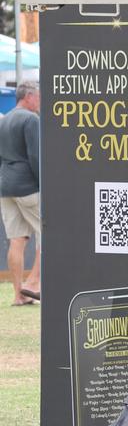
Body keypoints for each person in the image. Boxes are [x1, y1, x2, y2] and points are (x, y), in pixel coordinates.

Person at [1, 81, 42, 305]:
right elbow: (35, 156)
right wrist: (43, 183)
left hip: (5, 186)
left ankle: (18, 295)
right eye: (39, 96)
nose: (41, 101)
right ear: (28, 97)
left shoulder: (4, 119)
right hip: (27, 186)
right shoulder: (30, 119)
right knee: (48, 232)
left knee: (17, 240)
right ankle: (33, 284)